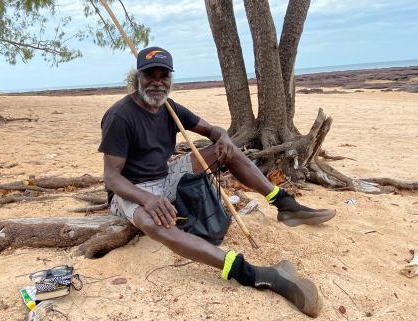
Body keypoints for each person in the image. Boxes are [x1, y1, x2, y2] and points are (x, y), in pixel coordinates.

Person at [99, 47, 336, 317]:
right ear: (136, 78)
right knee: (152, 223)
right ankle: (253, 273)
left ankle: (285, 204)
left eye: (163, 75)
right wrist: (147, 199)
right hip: (132, 189)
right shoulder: (120, 116)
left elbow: (212, 130)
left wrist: (222, 137)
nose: (156, 81)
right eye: (148, 75)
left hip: (166, 176)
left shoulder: (169, 107)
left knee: (228, 149)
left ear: (170, 79)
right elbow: (112, 177)